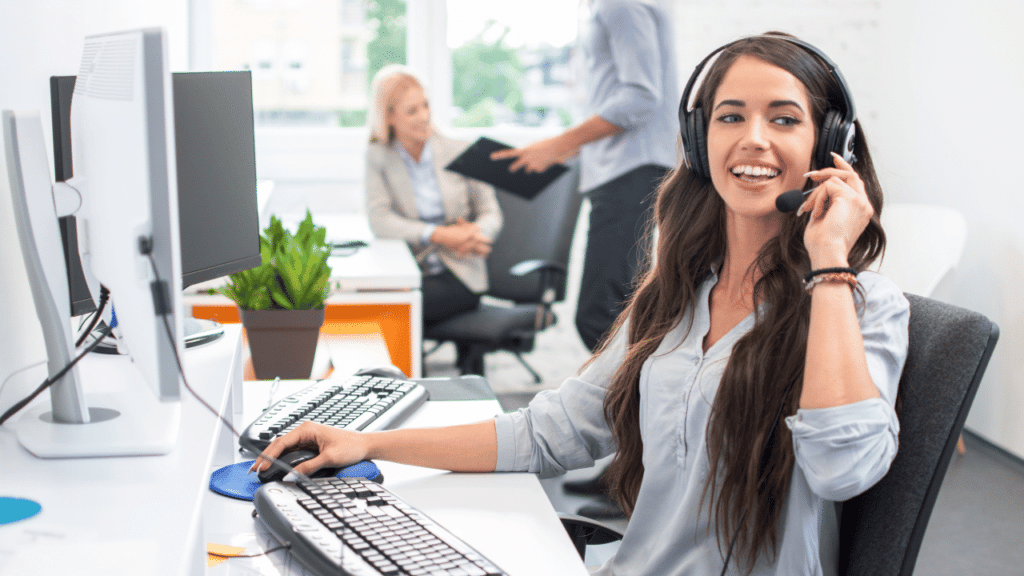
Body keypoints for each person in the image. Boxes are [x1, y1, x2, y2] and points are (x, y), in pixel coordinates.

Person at [255, 34, 909, 575]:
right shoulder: (677, 296)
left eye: (784, 118)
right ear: (698, 138)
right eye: (730, 115)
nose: (753, 139)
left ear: (831, 146)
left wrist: (829, 266)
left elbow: (842, 468)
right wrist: (368, 442)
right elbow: (549, 432)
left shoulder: (862, 306)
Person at [490, 0, 679, 353]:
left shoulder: (619, 4)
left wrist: (559, 143)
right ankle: (634, 402)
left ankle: (636, 403)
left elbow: (640, 98)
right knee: (624, 313)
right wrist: (562, 150)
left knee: (601, 316)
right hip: (627, 168)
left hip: (630, 170)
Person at [364, 65, 503, 327]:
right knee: (383, 304)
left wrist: (473, 235)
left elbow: (491, 212)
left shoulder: (462, 150)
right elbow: (379, 219)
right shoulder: (378, 156)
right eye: (412, 110)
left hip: (461, 273)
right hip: (410, 272)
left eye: (425, 106)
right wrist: (438, 234)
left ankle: (415, 369)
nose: (424, 116)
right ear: (389, 116)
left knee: (397, 314)